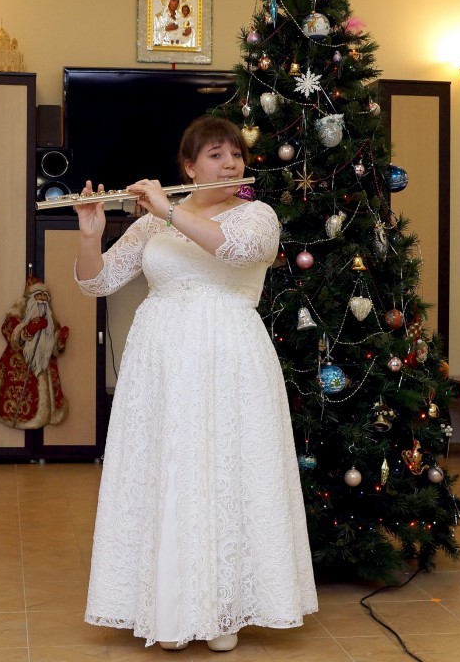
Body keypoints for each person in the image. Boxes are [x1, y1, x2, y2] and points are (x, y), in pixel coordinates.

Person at [75, 115, 318, 651]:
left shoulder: (257, 215)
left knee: (226, 471)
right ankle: (168, 610)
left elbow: (236, 251)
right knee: (168, 471)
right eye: (215, 155)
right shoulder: (150, 225)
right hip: (160, 360)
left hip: (229, 356)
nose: (230, 164)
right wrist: (91, 235)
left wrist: (169, 210)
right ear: (188, 166)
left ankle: (223, 612)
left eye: (235, 155)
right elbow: (97, 282)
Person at [0, 276, 69, 430]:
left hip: (44, 368)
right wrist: (27, 331)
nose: (42, 299)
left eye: (45, 296)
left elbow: (54, 350)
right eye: (39, 295)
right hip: (19, 366)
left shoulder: (51, 321)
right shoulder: (18, 314)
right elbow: (8, 329)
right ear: (30, 299)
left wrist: (60, 341)